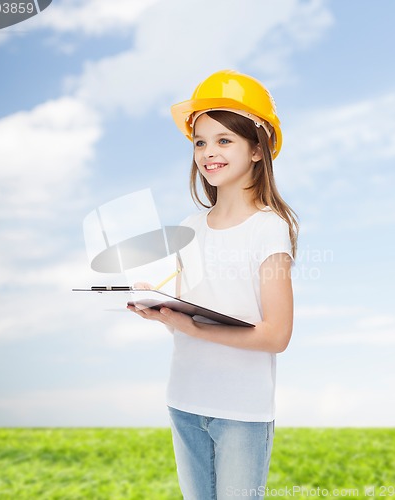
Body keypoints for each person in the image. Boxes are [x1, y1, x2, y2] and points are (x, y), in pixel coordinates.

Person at [127, 69, 298, 499]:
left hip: (240, 411)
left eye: (224, 140)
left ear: (258, 149)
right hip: (184, 400)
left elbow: (276, 335)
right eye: (200, 142)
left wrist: (193, 327)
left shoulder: (269, 229)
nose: (208, 152)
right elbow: (187, 318)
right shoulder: (190, 227)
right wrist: (161, 307)